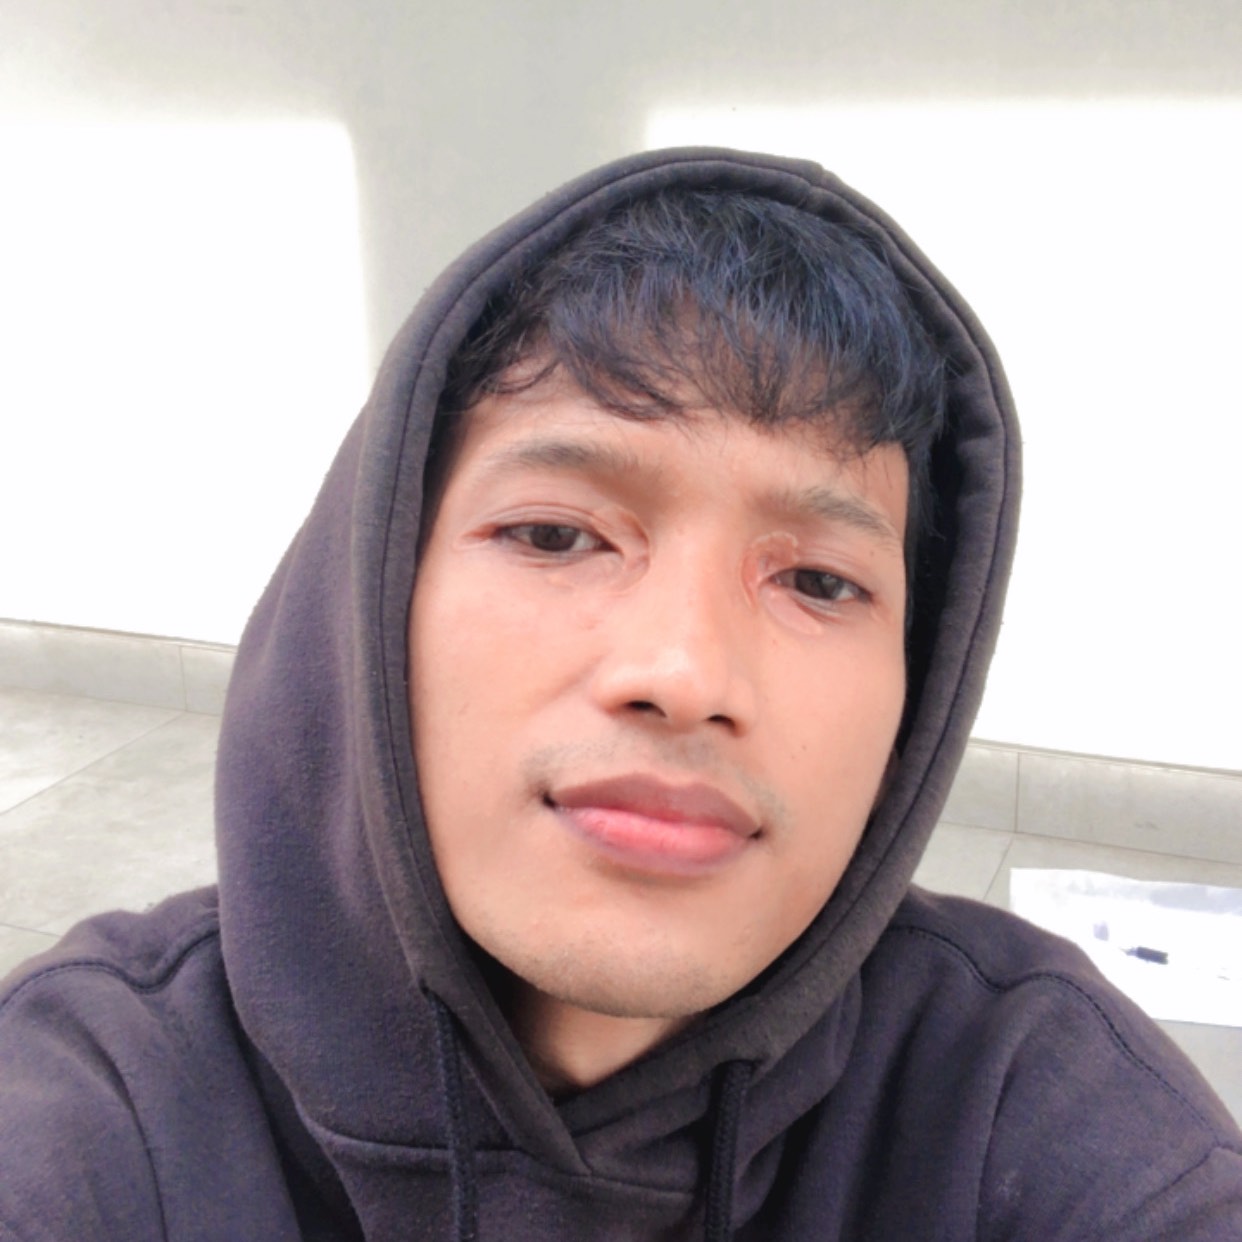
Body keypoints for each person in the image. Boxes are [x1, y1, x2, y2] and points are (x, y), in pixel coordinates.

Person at [1, 148, 1239, 1240]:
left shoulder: (1029, 1097)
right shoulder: (97, 1110)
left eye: (818, 580)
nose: (685, 675)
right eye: (554, 536)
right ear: (370, 596)